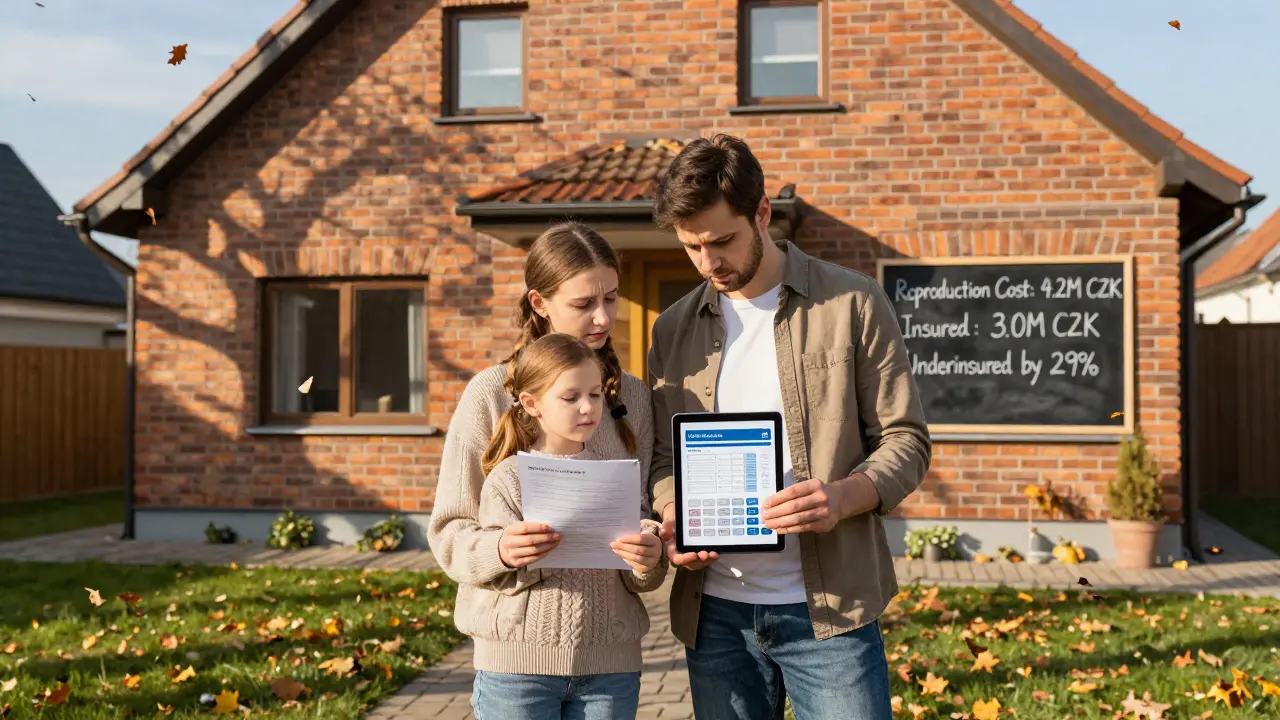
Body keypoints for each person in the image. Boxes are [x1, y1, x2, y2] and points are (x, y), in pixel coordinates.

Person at [646, 133, 933, 720]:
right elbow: (661, 458)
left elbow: (907, 440)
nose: (708, 263)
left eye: (722, 241)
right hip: (715, 615)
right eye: (691, 248)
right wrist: (675, 509)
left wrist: (842, 497)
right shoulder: (672, 329)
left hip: (828, 610)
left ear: (762, 213)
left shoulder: (853, 302)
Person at [426, 221, 661, 718]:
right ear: (540, 304)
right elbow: (450, 533)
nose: (603, 318)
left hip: (612, 657)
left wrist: (649, 552)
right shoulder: (492, 394)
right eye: (582, 305)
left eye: (612, 299)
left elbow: (639, 522)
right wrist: (499, 549)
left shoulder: (633, 399)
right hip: (515, 658)